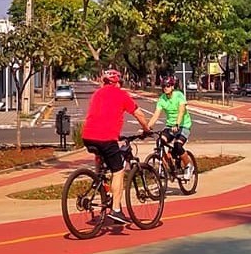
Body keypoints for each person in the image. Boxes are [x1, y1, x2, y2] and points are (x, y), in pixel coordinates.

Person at [80, 68, 150, 225]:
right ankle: (116, 210)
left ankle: (102, 186)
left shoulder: (97, 94)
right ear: (118, 82)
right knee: (118, 171)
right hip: (106, 138)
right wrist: (146, 129)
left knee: (103, 159)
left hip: (88, 136)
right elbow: (138, 113)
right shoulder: (121, 94)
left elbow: (101, 114)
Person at [145, 76, 193, 179]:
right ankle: (166, 168)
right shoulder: (162, 98)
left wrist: (177, 124)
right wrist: (147, 127)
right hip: (170, 126)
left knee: (178, 146)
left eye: (168, 86)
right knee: (159, 142)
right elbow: (156, 115)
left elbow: (181, 111)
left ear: (172, 86)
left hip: (183, 125)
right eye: (164, 86)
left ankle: (188, 166)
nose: (166, 88)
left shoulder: (179, 95)